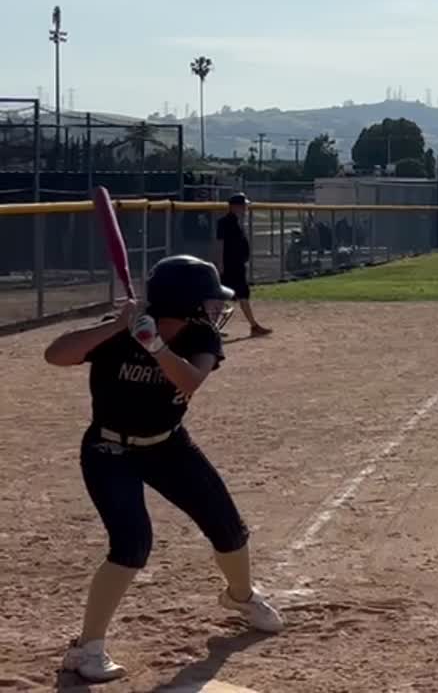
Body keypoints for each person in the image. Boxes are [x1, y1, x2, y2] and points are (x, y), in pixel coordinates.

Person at [43, 255, 284, 682]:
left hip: (168, 444)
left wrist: (155, 345)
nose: (216, 310)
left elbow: (189, 380)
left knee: (228, 527)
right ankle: (87, 649)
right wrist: (117, 326)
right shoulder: (121, 332)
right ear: (185, 301)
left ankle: (241, 597)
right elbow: (56, 355)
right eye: (209, 302)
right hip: (109, 449)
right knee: (132, 544)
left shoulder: (202, 335)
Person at [213, 194, 272, 336]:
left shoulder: (237, 221)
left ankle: (212, 328)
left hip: (237, 264)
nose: (245, 208)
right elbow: (220, 244)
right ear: (234, 206)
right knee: (240, 295)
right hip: (230, 265)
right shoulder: (225, 222)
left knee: (223, 296)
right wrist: (220, 264)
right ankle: (254, 326)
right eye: (242, 205)